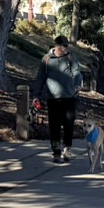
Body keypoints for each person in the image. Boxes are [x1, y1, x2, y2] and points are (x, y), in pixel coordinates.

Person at [35, 35, 84, 163]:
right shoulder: (46, 59)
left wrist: (78, 85)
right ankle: (56, 152)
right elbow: (40, 78)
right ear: (57, 46)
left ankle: (67, 148)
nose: (66, 48)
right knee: (54, 127)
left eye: (67, 46)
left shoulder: (71, 57)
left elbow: (77, 72)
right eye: (64, 46)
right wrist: (36, 95)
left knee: (69, 125)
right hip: (53, 99)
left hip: (69, 98)